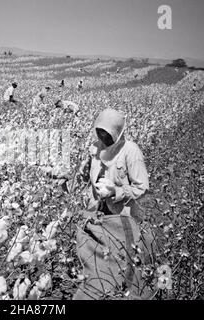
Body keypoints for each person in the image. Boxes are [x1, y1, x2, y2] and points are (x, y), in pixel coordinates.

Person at [73, 108, 155, 300]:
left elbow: (142, 187)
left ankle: (122, 291)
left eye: (107, 133)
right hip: (98, 215)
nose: (103, 136)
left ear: (117, 133)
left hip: (123, 217)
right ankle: (101, 287)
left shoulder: (131, 151)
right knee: (98, 261)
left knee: (126, 260)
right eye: (99, 132)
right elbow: (84, 176)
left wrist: (115, 191)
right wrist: (65, 179)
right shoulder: (95, 148)